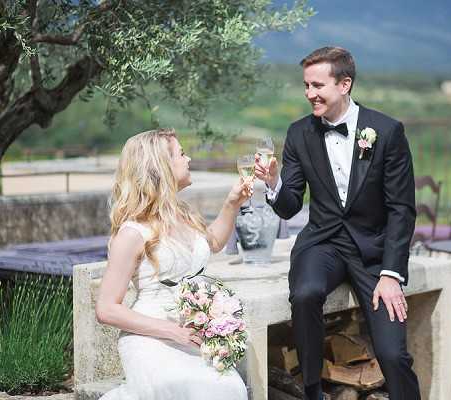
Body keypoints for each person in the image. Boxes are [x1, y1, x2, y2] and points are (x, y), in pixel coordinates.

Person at [255, 47, 421, 400]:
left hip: (374, 252)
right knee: (305, 293)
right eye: (305, 85)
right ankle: (313, 390)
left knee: (393, 353)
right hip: (323, 243)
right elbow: (288, 207)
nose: (309, 94)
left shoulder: (387, 131)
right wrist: (273, 184)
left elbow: (401, 210)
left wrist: (391, 273)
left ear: (345, 84)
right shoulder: (299, 133)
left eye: (317, 85)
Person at [96, 128, 251, 400]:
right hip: (151, 339)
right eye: (181, 153)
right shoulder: (132, 233)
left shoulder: (183, 213)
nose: (188, 158)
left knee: (231, 388)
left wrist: (232, 204)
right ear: (161, 166)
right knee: (191, 388)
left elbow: (212, 243)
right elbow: (106, 309)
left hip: (192, 337)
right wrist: (172, 331)